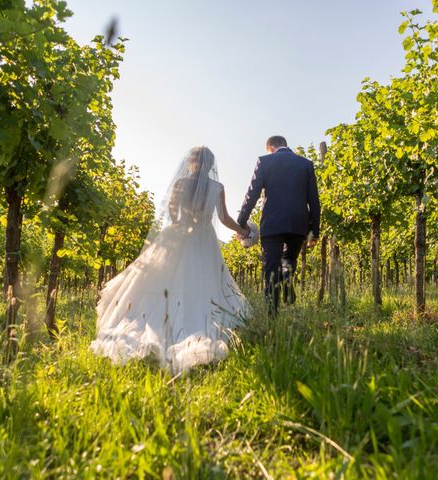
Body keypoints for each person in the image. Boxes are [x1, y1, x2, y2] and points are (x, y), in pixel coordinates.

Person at [91, 146, 249, 374]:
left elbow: (172, 211)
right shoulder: (218, 187)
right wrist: (242, 229)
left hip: (180, 233)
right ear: (210, 164)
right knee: (203, 281)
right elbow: (224, 218)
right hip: (205, 238)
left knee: (168, 279)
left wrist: (181, 224)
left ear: (192, 162)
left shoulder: (180, 184)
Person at [237, 135, 321, 315]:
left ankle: (272, 317)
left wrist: (241, 223)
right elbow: (314, 200)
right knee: (289, 260)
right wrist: (314, 231)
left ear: (270, 148)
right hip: (299, 224)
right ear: (285, 145)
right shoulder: (306, 164)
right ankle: (286, 277)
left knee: (270, 269)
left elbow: (252, 194)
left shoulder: (264, 162)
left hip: (272, 223)